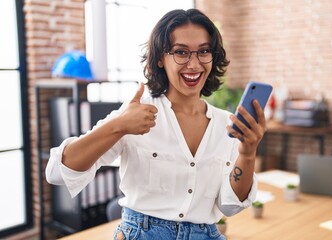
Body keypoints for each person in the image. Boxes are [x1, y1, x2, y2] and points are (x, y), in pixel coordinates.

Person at [46, 8, 267, 240]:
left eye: (203, 51)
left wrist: (248, 153)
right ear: (161, 58)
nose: (194, 64)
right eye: (181, 52)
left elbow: (229, 206)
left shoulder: (226, 124)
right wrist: (119, 126)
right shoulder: (136, 112)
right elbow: (57, 173)